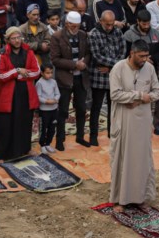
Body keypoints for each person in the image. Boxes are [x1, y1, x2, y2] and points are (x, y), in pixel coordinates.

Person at [108, 40, 159, 212]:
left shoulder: (150, 68)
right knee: (123, 159)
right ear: (132, 53)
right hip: (124, 120)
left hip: (143, 121)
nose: (144, 59)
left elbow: (157, 92)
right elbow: (115, 94)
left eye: (147, 56)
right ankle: (120, 199)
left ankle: (141, 198)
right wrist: (138, 95)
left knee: (142, 160)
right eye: (141, 56)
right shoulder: (118, 68)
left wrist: (140, 98)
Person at [0, 27, 41, 162]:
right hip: (8, 95)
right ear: (8, 40)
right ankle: (0, 154)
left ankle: (25, 149)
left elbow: (36, 71)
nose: (17, 40)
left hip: (25, 92)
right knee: (4, 124)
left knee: (25, 121)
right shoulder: (2, 54)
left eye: (19, 37)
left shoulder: (28, 52)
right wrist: (17, 71)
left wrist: (19, 77)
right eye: (13, 38)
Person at [50, 11, 91, 150]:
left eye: (77, 26)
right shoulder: (57, 37)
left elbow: (88, 54)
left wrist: (84, 63)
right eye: (73, 26)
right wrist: (74, 65)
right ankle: (60, 140)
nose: (75, 29)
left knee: (81, 108)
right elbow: (55, 59)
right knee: (63, 111)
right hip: (65, 79)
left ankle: (80, 136)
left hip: (81, 78)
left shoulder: (83, 35)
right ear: (67, 24)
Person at [88, 10, 126, 146]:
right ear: (101, 21)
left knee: (113, 108)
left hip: (113, 76)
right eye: (107, 24)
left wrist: (111, 68)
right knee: (96, 107)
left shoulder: (118, 32)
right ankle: (93, 136)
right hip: (99, 76)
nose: (110, 27)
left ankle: (112, 134)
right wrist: (116, 64)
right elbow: (97, 56)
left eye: (112, 24)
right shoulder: (93, 34)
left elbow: (123, 52)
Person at [36, 65, 60, 154]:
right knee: (44, 128)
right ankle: (42, 145)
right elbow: (38, 97)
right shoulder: (39, 83)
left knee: (52, 128)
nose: (50, 75)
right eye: (47, 73)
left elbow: (57, 93)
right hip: (44, 110)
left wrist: (55, 99)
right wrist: (46, 101)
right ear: (42, 73)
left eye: (51, 72)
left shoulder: (54, 82)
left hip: (54, 109)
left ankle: (48, 144)